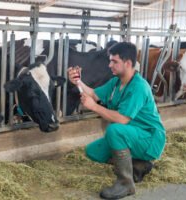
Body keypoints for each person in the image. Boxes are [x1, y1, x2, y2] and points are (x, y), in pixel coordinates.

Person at [68, 42, 166, 199]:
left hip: (149, 138)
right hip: (130, 135)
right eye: (110, 60)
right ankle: (137, 164)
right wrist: (78, 82)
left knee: (114, 130)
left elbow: (121, 119)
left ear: (127, 63)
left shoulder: (139, 87)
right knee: (93, 151)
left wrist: (94, 107)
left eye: (114, 61)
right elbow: (94, 94)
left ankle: (126, 183)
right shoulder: (116, 82)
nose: (109, 65)